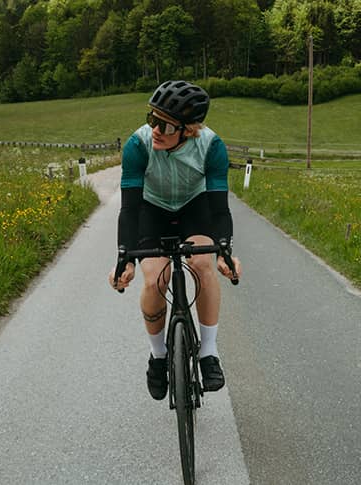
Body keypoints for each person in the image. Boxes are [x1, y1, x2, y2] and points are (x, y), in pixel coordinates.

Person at [109, 80, 242, 400]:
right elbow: (129, 208)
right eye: (151, 118)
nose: (155, 128)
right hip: (150, 209)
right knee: (155, 279)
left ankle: (209, 353)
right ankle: (158, 356)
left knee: (202, 264)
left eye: (164, 124)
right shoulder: (137, 145)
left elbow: (219, 208)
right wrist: (124, 257)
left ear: (189, 130)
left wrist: (224, 249)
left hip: (194, 209)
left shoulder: (211, 147)